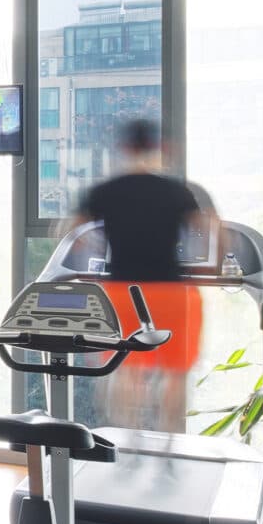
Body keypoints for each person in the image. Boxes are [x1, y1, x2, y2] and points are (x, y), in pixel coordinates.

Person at [67, 117, 217, 435]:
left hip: (123, 291)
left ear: (123, 149)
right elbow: (210, 232)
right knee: (175, 373)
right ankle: (170, 441)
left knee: (126, 371)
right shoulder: (178, 191)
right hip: (172, 293)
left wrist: (101, 244)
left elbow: (72, 232)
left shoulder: (103, 191)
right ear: (160, 149)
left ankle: (127, 441)